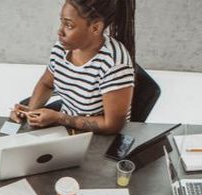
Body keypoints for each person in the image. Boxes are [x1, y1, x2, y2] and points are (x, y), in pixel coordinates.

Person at [11, 0, 136, 134]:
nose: (60, 31)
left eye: (69, 25)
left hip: (100, 138)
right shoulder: (62, 47)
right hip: (68, 130)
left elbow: (111, 126)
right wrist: (31, 111)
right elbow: (47, 83)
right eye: (61, 22)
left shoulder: (114, 65)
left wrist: (59, 118)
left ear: (95, 28)